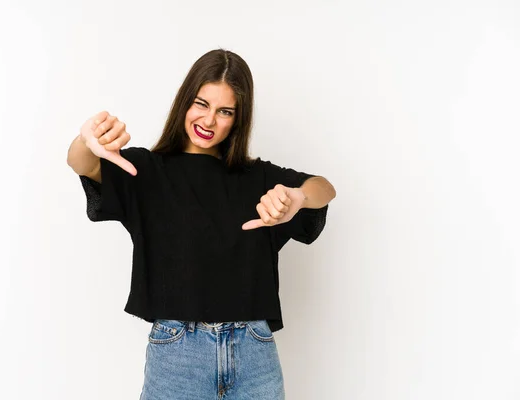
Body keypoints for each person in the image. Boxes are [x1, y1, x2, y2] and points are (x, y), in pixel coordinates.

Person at [67, 48, 336, 400]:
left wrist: (298, 197)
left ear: (238, 119)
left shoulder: (258, 178)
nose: (209, 121)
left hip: (254, 353)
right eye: (201, 104)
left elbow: (323, 187)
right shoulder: (146, 170)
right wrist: (87, 139)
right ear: (184, 103)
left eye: (225, 111)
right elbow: (82, 163)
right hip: (178, 356)